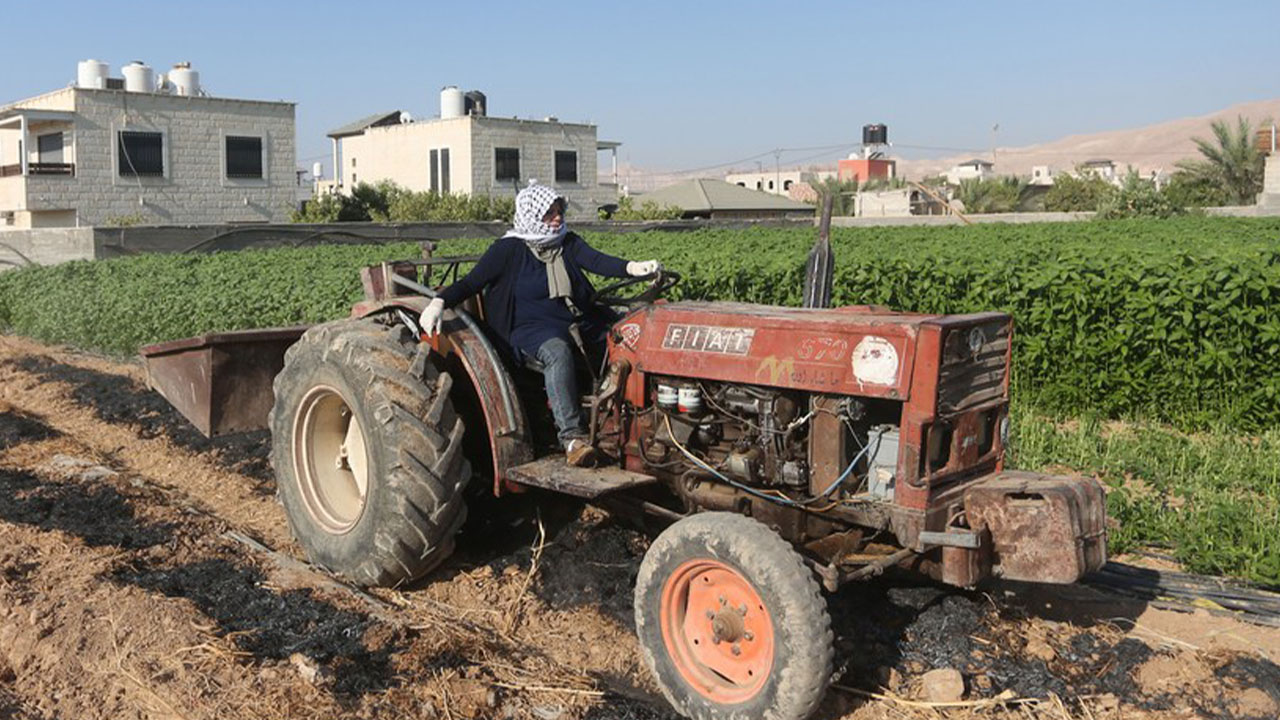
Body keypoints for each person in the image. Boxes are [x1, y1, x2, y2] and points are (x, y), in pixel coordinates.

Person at [420, 183, 660, 466]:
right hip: (528, 328)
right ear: (532, 215)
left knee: (629, 334)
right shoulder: (508, 249)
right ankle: (572, 437)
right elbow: (472, 282)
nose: (557, 218)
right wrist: (439, 302)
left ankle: (636, 414)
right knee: (557, 351)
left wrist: (633, 268)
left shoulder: (566, 242)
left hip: (574, 320)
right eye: (549, 213)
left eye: (559, 211)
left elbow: (597, 261)